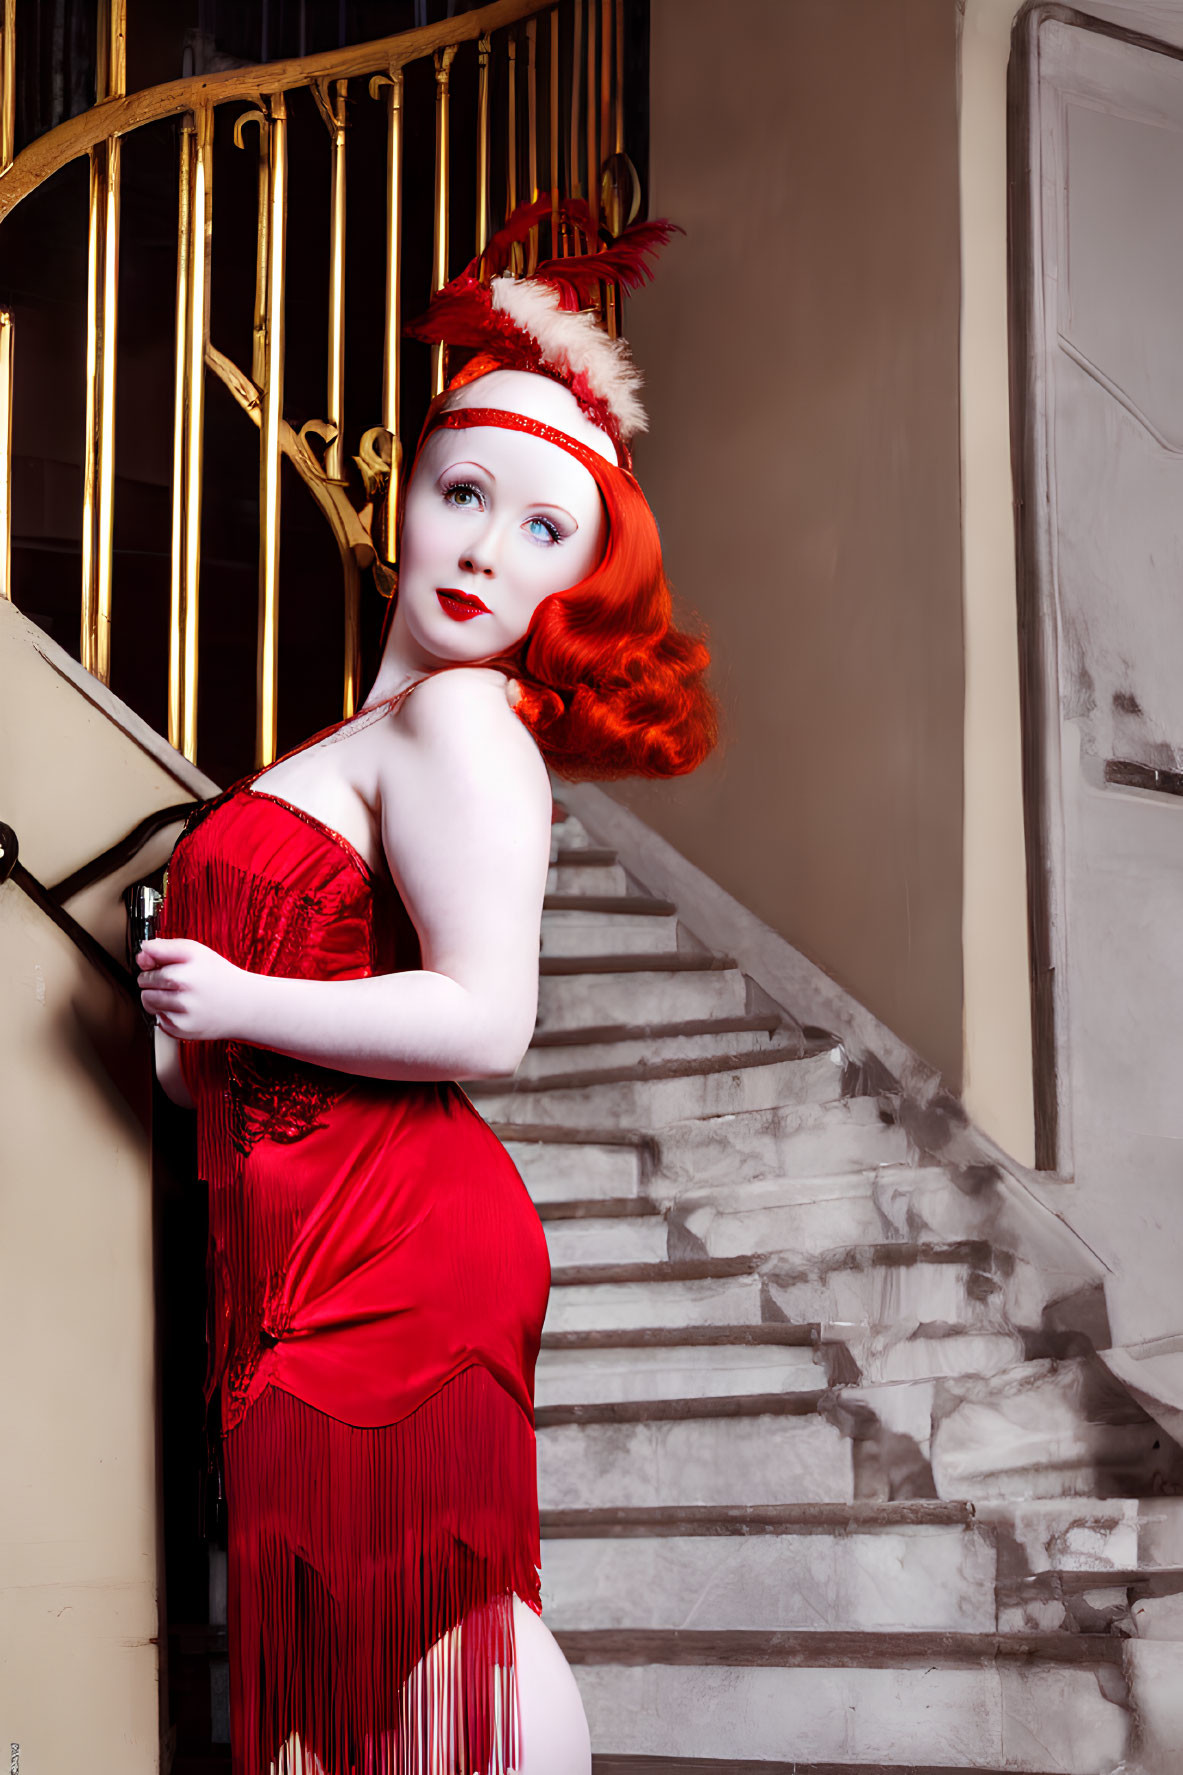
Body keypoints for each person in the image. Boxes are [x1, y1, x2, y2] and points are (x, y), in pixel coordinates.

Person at [137, 209, 717, 1775]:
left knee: (451, 1643)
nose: (482, 548)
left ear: (584, 583)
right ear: (408, 492)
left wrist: (238, 995)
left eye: (545, 531)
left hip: (402, 1246)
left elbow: (488, 1021)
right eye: (466, 494)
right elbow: (211, 1070)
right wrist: (198, 1026)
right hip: (289, 1248)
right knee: (358, 1691)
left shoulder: (466, 725)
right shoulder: (347, 743)